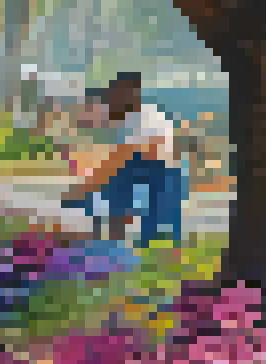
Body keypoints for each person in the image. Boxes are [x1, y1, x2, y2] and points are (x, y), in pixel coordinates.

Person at [60, 72, 185, 248]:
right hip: (150, 167)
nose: (110, 104)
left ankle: (119, 232)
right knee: (116, 186)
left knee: (123, 185)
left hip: (161, 169)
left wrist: (86, 189)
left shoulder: (145, 117)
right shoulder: (131, 119)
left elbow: (124, 157)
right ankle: (111, 230)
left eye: (113, 97)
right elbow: (119, 159)